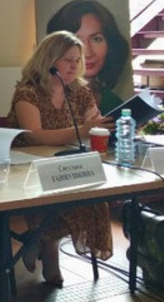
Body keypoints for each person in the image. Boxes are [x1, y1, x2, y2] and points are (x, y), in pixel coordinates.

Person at [6, 30, 114, 287]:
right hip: (30, 170)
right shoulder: (27, 92)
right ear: (49, 60)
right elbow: (34, 136)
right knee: (57, 200)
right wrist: (84, 130)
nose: (74, 65)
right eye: (67, 59)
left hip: (68, 162)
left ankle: (42, 240)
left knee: (95, 199)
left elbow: (93, 123)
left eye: (77, 60)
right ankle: (47, 244)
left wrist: (101, 127)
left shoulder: (79, 91)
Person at [46, 0, 134, 114]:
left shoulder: (113, 102)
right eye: (76, 40)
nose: (88, 53)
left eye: (96, 39)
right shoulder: (43, 97)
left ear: (110, 46)